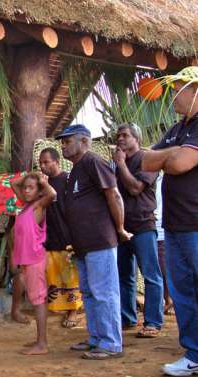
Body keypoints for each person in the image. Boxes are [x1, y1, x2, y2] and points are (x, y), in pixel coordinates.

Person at [141, 66, 198, 377]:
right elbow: (145, 160)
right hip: (175, 225)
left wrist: (167, 155)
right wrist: (169, 154)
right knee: (183, 292)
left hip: (195, 223)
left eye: (180, 88)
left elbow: (178, 164)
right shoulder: (177, 129)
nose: (174, 94)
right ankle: (194, 353)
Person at [57, 124, 131, 360]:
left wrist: (119, 228)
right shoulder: (76, 169)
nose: (63, 145)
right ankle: (96, 338)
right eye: (63, 141)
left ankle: (110, 343)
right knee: (89, 292)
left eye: (68, 141)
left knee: (104, 292)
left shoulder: (93, 162)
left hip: (100, 240)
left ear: (84, 142)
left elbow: (114, 194)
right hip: (83, 244)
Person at [113, 123, 163, 338]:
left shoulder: (147, 159)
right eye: (118, 136)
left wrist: (122, 165)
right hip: (123, 227)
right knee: (124, 275)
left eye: (125, 135)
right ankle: (127, 319)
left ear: (137, 138)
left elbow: (135, 188)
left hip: (143, 224)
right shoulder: (117, 163)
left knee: (151, 275)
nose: (120, 139)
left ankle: (152, 322)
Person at [10, 172, 56, 355]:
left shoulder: (37, 205)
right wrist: (30, 176)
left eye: (31, 188)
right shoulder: (26, 206)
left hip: (35, 259)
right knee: (36, 299)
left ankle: (42, 344)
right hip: (27, 260)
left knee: (38, 301)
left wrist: (42, 182)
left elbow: (52, 195)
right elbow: (14, 184)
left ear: (38, 193)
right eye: (25, 188)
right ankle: (39, 340)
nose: (26, 191)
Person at [38, 147, 82, 328]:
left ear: (56, 162)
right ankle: (60, 307)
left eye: (46, 162)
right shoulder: (43, 183)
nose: (42, 166)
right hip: (50, 235)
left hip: (67, 236)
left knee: (70, 275)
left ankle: (73, 310)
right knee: (54, 274)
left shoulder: (67, 180)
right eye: (41, 163)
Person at [154, 173, 173, 315]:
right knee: (156, 268)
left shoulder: (165, 179)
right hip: (147, 226)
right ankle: (164, 299)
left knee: (163, 266)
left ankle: (169, 299)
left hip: (161, 227)